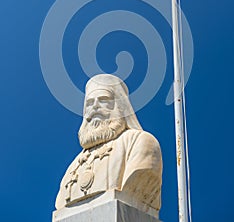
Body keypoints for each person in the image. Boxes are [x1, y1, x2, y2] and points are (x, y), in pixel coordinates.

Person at [55, 74, 162, 215]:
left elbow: (139, 182)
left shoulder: (140, 141)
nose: (95, 107)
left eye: (104, 100)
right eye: (89, 103)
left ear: (120, 107)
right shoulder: (74, 165)